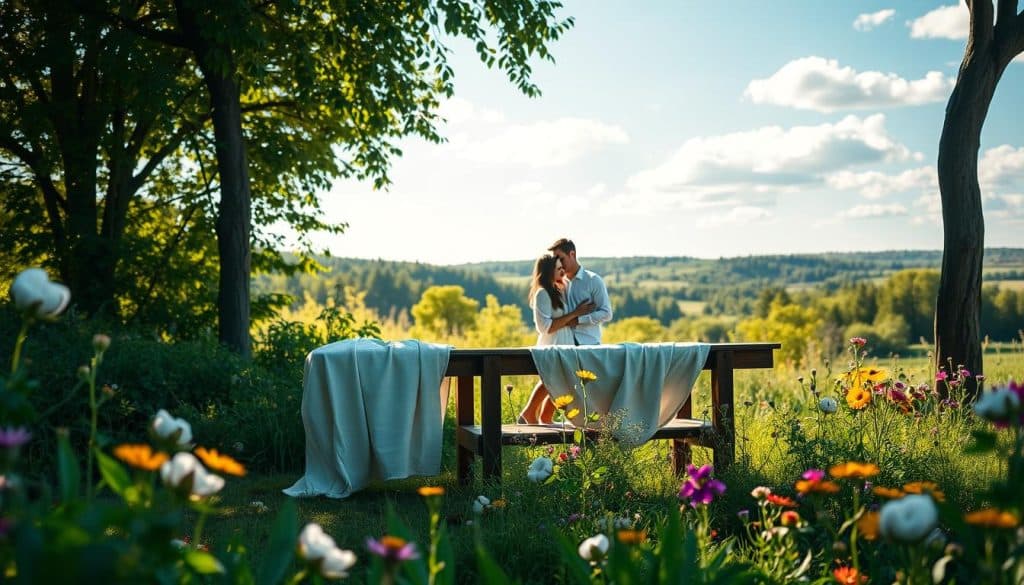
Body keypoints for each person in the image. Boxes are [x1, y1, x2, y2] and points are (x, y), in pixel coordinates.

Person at [516, 253, 596, 424]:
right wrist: (575, 313)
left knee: (563, 381)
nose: (563, 271)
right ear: (547, 272)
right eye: (559, 268)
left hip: (564, 343)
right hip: (552, 344)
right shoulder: (542, 294)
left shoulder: (558, 289)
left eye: (562, 267)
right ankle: (527, 414)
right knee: (550, 380)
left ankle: (545, 416)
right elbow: (545, 327)